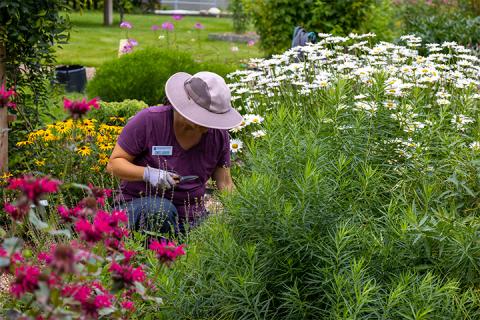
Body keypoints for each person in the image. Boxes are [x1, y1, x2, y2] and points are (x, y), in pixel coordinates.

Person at [107, 71, 242, 235]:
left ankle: (180, 242)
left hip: (191, 219)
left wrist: (242, 216)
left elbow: (225, 183)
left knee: (218, 239)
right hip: (139, 208)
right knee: (161, 210)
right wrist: (149, 174)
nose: (209, 126)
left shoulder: (218, 136)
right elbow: (114, 164)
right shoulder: (149, 121)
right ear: (185, 107)